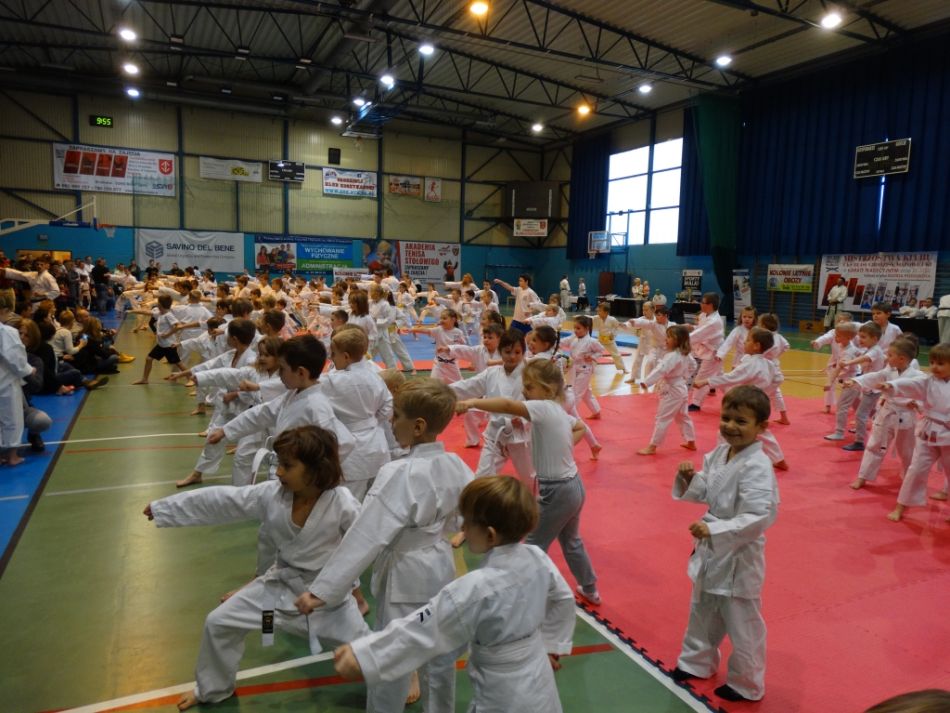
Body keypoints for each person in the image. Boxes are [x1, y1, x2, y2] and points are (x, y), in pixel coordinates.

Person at [143, 425, 371, 711]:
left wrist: (334, 590)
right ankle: (213, 688)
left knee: (371, 653)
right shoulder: (272, 494)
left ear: (316, 469)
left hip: (327, 602)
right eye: (279, 464)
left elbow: (362, 548)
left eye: (288, 466)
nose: (278, 472)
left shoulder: (343, 504)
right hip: (276, 591)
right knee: (219, 622)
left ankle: (402, 681)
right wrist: (166, 508)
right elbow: (223, 501)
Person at [295, 378, 475, 713]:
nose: (391, 423)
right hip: (441, 567)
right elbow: (465, 519)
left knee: (393, 655)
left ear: (417, 426)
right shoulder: (457, 466)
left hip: (404, 575)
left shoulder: (398, 472)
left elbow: (367, 535)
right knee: (439, 653)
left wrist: (324, 590)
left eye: (396, 416)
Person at [332, 476, 576, 713]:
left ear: (490, 535)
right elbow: (563, 598)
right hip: (538, 675)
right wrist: (551, 645)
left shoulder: (477, 587)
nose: (462, 527)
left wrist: (366, 655)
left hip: (502, 695)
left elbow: (422, 627)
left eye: (468, 522)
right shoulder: (537, 557)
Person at [457, 358, 601, 606]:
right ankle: (589, 588)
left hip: (557, 491)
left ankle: (523, 598)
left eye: (529, 386)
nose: (524, 390)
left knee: (533, 545)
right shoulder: (557, 410)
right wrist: (562, 450)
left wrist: (471, 402)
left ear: (547, 389)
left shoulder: (543, 407)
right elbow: (580, 427)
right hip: (574, 485)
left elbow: (507, 405)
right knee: (571, 541)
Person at [670, 385, 779, 703]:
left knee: (742, 621)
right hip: (712, 547)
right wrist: (690, 479)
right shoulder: (721, 452)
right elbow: (709, 489)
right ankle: (696, 662)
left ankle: (747, 682)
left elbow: (759, 515)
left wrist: (714, 530)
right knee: (702, 609)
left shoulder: (758, 466)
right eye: (726, 418)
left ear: (761, 427)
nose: (731, 426)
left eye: (741, 421)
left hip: (739, 553)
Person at [695, 327, 788, 470]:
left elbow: (730, 378)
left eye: (748, 340)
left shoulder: (750, 364)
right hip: (759, 401)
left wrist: (705, 381)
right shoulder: (768, 363)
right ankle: (779, 459)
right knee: (761, 431)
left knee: (724, 431)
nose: (744, 342)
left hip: (745, 402)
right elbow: (779, 379)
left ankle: (721, 460)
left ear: (756, 346)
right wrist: (765, 393)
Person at [451, 329, 534, 486]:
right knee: (482, 478)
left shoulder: (532, 374)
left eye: (517, 352)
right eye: (507, 352)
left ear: (524, 352)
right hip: (495, 433)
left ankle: (536, 502)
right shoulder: (491, 373)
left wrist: (525, 418)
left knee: (530, 479)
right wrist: (438, 390)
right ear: (500, 352)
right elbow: (466, 386)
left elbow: (543, 403)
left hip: (523, 435)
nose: (512, 356)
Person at [319, 326, 393, 501]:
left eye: (333, 354)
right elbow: (388, 406)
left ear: (345, 356)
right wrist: (371, 420)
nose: (331, 358)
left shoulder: (333, 380)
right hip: (376, 444)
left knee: (349, 502)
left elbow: (306, 384)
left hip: (351, 450)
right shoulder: (375, 376)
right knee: (377, 501)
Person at [879, 342, 950, 522]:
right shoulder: (927, 381)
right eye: (932, 362)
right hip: (928, 431)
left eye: (940, 363)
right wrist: (891, 385)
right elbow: (910, 384)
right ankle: (901, 506)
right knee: (915, 468)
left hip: (948, 435)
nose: (934, 367)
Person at [849, 336, 921, 490]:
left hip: (905, 416)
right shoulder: (889, 370)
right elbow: (875, 376)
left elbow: (925, 393)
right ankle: (863, 476)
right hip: (886, 413)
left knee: (907, 451)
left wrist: (917, 403)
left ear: (901, 358)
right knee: (874, 445)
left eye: (890, 355)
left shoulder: (918, 376)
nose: (886, 357)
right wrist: (856, 381)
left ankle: (908, 476)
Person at [637, 325, 696, 456]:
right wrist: (684, 377)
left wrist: (647, 382)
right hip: (681, 387)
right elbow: (693, 366)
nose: (666, 339)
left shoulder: (672, 356)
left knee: (662, 418)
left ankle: (652, 446)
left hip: (673, 390)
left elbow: (661, 370)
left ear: (678, 340)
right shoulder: (685, 354)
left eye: (669, 337)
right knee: (682, 416)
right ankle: (691, 441)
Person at [829, 322, 884, 450]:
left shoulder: (875, 350)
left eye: (864, 337)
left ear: (874, 338)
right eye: (860, 336)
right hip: (868, 386)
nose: (860, 339)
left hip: (872, 388)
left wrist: (848, 362)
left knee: (860, 414)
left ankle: (860, 441)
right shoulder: (870, 349)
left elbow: (865, 359)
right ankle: (875, 423)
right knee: (865, 410)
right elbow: (862, 356)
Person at [0, 288, 34, 466]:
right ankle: (12, 456)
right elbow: (15, 357)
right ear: (5, 310)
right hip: (5, 382)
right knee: (12, 417)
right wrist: (28, 370)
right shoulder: (6, 331)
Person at [130, 294, 187, 384]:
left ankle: (191, 378)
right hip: (161, 345)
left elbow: (178, 326)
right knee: (149, 359)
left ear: (160, 305)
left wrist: (167, 334)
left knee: (178, 363)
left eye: (158, 302)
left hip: (169, 345)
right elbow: (146, 312)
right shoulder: (160, 314)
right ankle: (145, 379)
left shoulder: (168, 315)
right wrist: (133, 311)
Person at [560, 315, 606, 419]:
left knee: (576, 392)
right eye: (574, 328)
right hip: (573, 367)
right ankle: (596, 411)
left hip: (585, 369)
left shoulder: (592, 341)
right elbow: (562, 342)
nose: (575, 330)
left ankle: (570, 416)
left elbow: (601, 351)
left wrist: (592, 357)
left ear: (586, 329)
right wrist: (553, 341)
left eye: (578, 328)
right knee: (586, 393)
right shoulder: (573, 338)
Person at [687, 293, 725, 411]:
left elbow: (698, 335)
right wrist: (692, 327)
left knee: (702, 376)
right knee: (721, 378)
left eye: (703, 303)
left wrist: (680, 339)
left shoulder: (714, 321)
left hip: (714, 353)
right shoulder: (704, 315)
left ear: (711, 305)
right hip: (709, 349)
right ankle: (736, 397)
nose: (701, 304)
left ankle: (696, 403)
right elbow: (700, 330)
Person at [411, 309, 467, 384]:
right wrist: (412, 330)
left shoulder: (458, 332)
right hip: (439, 364)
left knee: (459, 384)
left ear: (453, 320)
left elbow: (462, 346)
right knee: (433, 384)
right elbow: (426, 330)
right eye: (441, 318)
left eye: (444, 318)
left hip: (452, 364)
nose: (441, 320)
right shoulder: (439, 330)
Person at [593, 303, 627, 373]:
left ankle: (623, 368)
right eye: (598, 310)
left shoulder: (612, 319)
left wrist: (613, 334)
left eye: (600, 311)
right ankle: (590, 367)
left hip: (609, 340)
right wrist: (579, 317)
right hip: (600, 340)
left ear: (606, 312)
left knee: (616, 354)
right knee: (594, 353)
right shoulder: (597, 318)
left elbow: (616, 327)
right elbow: (589, 318)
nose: (598, 312)